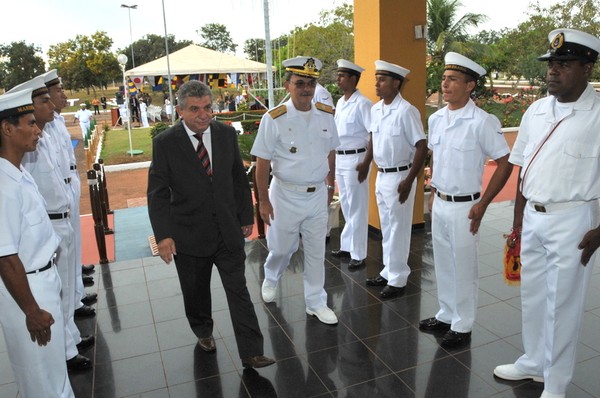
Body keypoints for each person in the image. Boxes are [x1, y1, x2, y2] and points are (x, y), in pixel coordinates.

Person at [493, 29, 600, 398]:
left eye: (564, 64)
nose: (553, 71)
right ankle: (534, 362)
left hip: (574, 219)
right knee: (534, 295)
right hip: (534, 217)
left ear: (587, 68)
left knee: (563, 304)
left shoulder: (598, 114)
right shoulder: (536, 110)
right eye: (551, 64)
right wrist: (518, 220)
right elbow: (523, 166)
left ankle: (556, 383)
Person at [147, 80, 274, 369]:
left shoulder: (226, 134)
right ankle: (203, 330)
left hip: (227, 231)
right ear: (180, 110)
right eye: (195, 109)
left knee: (239, 291)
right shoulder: (165, 143)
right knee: (196, 292)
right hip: (188, 235)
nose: (203, 115)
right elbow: (157, 193)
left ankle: (251, 351)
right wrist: (164, 236)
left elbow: (237, 179)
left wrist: (245, 217)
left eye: (207, 108)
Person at [419, 52, 512, 348]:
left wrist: (483, 204)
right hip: (442, 201)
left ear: (470, 85)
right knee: (444, 262)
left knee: (464, 266)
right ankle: (446, 313)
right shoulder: (436, 119)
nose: (445, 85)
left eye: (453, 80)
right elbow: (438, 160)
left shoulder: (481, 122)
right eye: (444, 79)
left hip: (465, 206)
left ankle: (463, 323)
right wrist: (434, 194)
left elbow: (505, 161)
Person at [8, 76, 93, 371]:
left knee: (67, 284)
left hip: (60, 217)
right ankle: (67, 345)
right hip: (41, 244)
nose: (53, 103)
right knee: (59, 291)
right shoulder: (15, 164)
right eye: (44, 100)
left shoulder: (36, 142)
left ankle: (68, 338)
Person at [251, 56, 340, 325]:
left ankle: (316, 301)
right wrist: (263, 202)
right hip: (285, 195)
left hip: (315, 196)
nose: (306, 89)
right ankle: (271, 275)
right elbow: (262, 162)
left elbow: (331, 151)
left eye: (310, 83)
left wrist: (329, 184)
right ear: (288, 85)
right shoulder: (274, 118)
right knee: (282, 248)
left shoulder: (325, 114)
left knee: (316, 250)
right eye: (300, 83)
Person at [0, 89, 75, 398]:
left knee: (55, 375)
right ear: (7, 129)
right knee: (41, 382)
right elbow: (5, 258)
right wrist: (32, 310)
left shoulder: (18, 173)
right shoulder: (3, 187)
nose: (37, 130)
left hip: (42, 280)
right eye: (29, 123)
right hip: (26, 291)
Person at [364, 60, 427, 299]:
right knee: (387, 227)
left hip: (401, 176)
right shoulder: (376, 109)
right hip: (382, 175)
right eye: (376, 79)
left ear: (396, 83)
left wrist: (410, 179)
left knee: (399, 228)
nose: (377, 84)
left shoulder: (406, 111)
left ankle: (398, 279)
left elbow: (421, 145)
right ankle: (388, 270)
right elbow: (373, 140)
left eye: (382, 79)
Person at [42, 70, 97, 314]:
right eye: (58, 91)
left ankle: (76, 287)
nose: (63, 95)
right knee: (65, 249)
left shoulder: (57, 122)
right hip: (56, 195)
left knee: (73, 241)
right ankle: (73, 298)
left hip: (68, 183)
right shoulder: (43, 128)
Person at [330, 59, 373, 269]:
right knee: (346, 205)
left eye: (341, 75)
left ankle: (359, 253)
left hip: (357, 159)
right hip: (340, 157)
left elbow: (373, 134)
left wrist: (366, 162)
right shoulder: (341, 102)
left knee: (357, 206)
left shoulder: (363, 104)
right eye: (338, 75)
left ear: (353, 79)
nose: (337, 79)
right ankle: (347, 246)